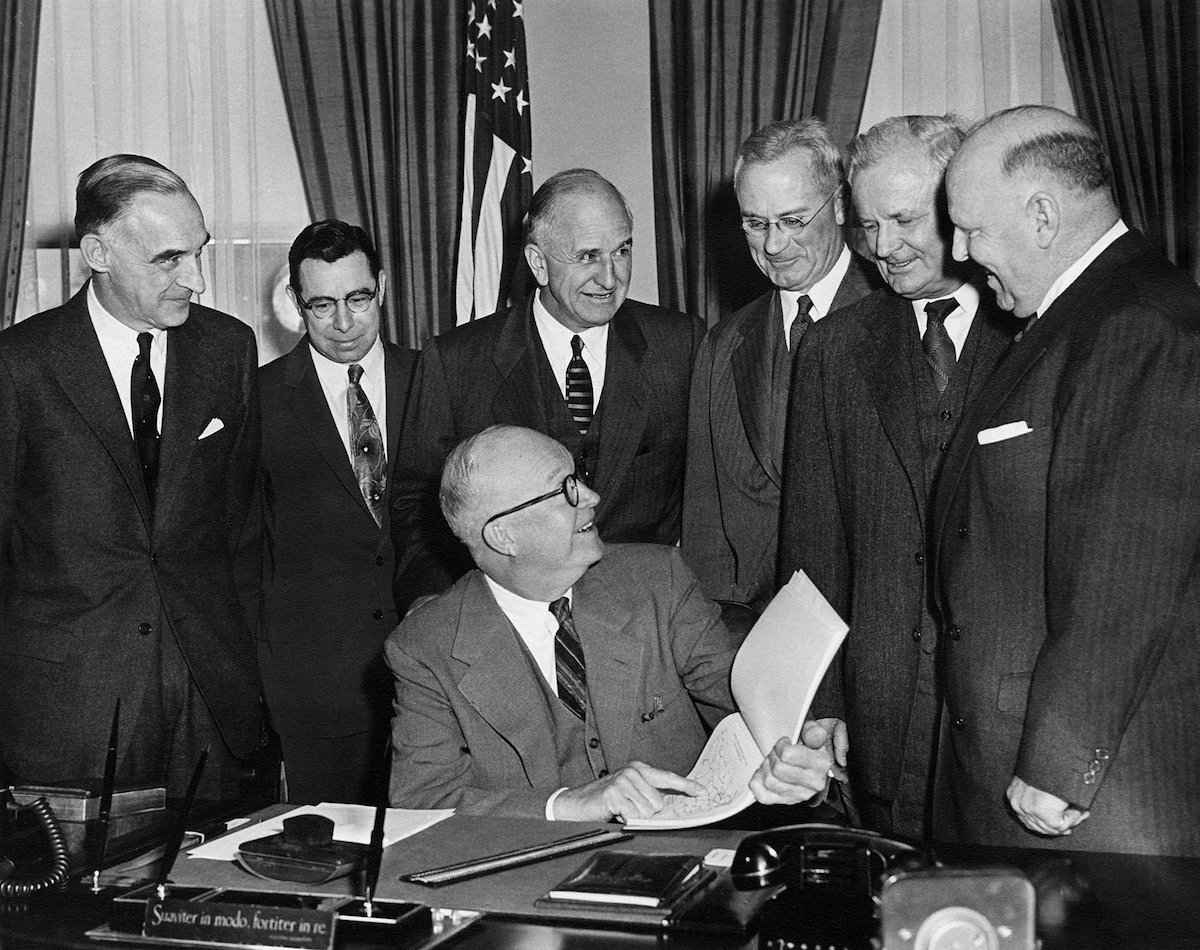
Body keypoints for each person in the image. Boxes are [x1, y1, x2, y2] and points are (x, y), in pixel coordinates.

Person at [933, 105, 1200, 856]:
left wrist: (1057, 761)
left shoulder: (1138, 325)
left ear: (1043, 216)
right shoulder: (1081, 316)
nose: (959, 252)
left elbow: (1127, 565)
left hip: (1093, 799)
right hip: (1016, 768)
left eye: (971, 229)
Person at [386, 425, 846, 820]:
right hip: (529, 880)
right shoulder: (426, 646)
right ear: (504, 536)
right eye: (565, 489)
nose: (592, 497)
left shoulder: (657, 580)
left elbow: (747, 703)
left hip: (684, 854)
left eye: (578, 478)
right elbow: (421, 802)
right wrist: (566, 804)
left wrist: (800, 750)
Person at [777, 116, 1018, 840]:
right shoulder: (832, 350)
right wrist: (823, 702)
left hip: (1004, 721)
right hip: (878, 718)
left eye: (906, 220)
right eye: (867, 225)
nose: (883, 248)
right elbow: (811, 549)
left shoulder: (1036, 337)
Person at [0, 155, 262, 798]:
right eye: (168, 260)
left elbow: (244, 524)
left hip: (210, 701)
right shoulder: (20, 364)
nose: (196, 280)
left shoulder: (229, 348)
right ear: (98, 252)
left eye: (197, 253)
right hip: (67, 709)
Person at [390, 169, 703, 614]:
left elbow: (705, 496)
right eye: (588, 256)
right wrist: (436, 605)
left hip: (644, 616)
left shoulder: (680, 344)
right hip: (508, 621)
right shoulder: (456, 361)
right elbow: (416, 502)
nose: (610, 277)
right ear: (538, 263)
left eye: (622, 251)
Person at [682, 118, 880, 611]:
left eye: (792, 221)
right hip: (760, 627)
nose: (772, 245)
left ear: (838, 205)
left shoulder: (898, 316)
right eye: (755, 223)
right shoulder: (723, 346)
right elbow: (707, 526)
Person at [254, 220, 416, 804]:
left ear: (382, 287)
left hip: (433, 678)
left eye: (358, 299)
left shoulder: (431, 378)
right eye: (322, 305)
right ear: (297, 304)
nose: (344, 324)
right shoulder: (260, 398)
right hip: (316, 688)